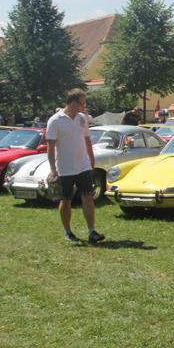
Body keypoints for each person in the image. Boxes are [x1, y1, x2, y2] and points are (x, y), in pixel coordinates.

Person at [46, 89, 104, 245]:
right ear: (73, 102)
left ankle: (92, 231)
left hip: (83, 165)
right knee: (66, 200)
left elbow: (87, 140)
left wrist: (91, 160)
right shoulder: (55, 120)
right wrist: (53, 169)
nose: (84, 107)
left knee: (87, 196)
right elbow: (50, 147)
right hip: (65, 167)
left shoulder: (82, 118)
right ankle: (68, 231)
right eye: (82, 103)